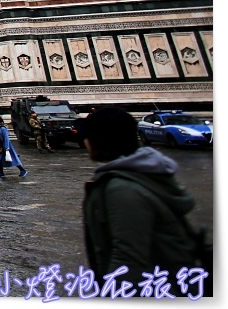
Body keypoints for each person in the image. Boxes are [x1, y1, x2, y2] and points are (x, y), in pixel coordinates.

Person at [78, 107, 200, 285]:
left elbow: (128, 259)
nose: (85, 141)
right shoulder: (142, 174)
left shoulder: (123, 188)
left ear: (98, 140)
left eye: (87, 135)